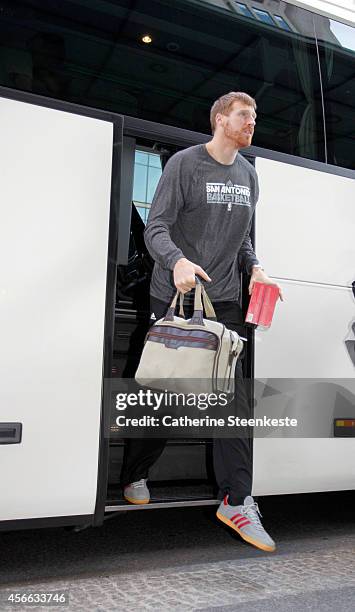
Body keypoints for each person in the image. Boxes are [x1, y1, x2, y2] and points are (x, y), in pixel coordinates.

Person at [121, 92, 283, 552]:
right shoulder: (185, 165)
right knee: (166, 396)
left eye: (254, 117)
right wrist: (176, 262)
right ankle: (135, 471)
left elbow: (243, 239)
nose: (252, 123)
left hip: (225, 299)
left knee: (234, 403)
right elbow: (156, 227)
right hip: (175, 295)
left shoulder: (249, 175)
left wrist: (256, 268)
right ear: (219, 119)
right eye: (243, 116)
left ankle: (236, 500)